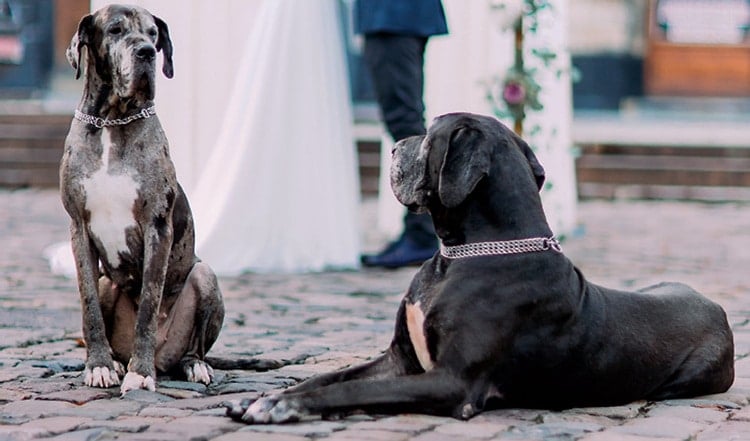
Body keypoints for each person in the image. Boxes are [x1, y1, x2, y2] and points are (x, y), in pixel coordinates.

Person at [355, 0, 448, 269]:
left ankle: (421, 232)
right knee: (406, 120)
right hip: (398, 16)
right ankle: (420, 229)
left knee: (404, 122)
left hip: (393, 15)